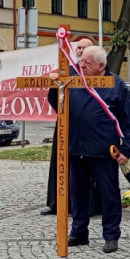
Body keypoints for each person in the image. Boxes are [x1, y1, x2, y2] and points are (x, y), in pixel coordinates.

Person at [47, 45, 130, 253]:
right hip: (76, 146)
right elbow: (56, 105)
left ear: (101, 65)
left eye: (87, 62)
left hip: (104, 149)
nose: (82, 65)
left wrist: (127, 148)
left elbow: (128, 120)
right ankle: (79, 232)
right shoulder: (73, 81)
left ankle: (111, 235)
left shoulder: (115, 84)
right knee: (77, 193)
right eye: (81, 61)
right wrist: (54, 87)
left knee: (109, 193)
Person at [42, 36, 96, 215]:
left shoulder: (97, 74)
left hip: (88, 128)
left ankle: (86, 205)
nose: (80, 51)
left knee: (85, 168)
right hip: (66, 125)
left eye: (84, 48)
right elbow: (55, 102)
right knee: (61, 164)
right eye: (78, 48)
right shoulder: (67, 72)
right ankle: (58, 203)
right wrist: (53, 84)